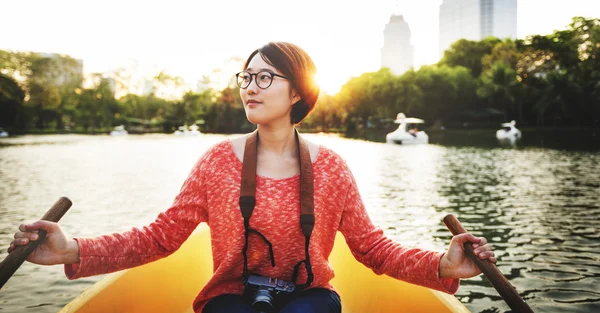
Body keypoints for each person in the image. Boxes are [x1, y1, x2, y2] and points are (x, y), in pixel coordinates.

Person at [9, 42, 496, 313]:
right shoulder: (216, 162)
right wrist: (72, 250)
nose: (250, 86)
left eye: (265, 77)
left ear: (299, 92)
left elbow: (373, 249)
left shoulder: (331, 168)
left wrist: (445, 265)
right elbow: (159, 238)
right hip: (232, 298)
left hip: (309, 297)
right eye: (246, 76)